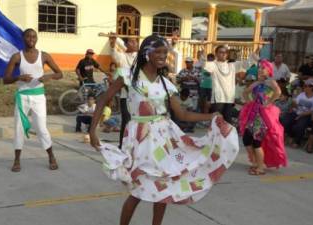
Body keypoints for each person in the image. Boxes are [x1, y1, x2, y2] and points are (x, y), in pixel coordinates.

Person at [89, 35, 239, 225]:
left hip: (164, 138)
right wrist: (93, 130)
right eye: (157, 51)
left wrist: (210, 116)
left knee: (163, 188)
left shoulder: (166, 84)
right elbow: (104, 99)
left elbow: (182, 114)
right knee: (138, 190)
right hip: (141, 139)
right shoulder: (128, 75)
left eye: (165, 52)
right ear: (146, 53)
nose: (162, 56)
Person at [4, 28, 62, 172]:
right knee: (19, 128)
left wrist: (48, 77)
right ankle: (17, 160)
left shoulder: (44, 56)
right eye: (28, 36)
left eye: (34, 36)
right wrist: (19, 77)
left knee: (41, 128)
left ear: (37, 39)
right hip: (22, 96)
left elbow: (60, 73)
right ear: (23, 38)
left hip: (38, 97)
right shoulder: (17, 57)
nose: (31, 39)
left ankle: (51, 156)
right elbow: (5, 79)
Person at [239, 60, 287, 175]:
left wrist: (269, 102)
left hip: (263, 116)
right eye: (260, 68)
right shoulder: (256, 83)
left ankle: (260, 167)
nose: (260, 70)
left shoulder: (271, 82)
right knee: (246, 139)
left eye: (263, 68)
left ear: (268, 70)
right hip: (253, 114)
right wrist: (250, 102)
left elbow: (278, 92)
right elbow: (245, 93)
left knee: (257, 142)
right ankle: (255, 162)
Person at [204, 45, 247, 124]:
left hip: (229, 97)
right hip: (218, 97)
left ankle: (227, 136)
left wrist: (257, 51)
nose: (223, 54)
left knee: (228, 122)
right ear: (216, 54)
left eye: (225, 52)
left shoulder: (232, 65)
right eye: (221, 52)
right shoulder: (213, 64)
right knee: (217, 121)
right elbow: (205, 68)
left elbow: (247, 63)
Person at [109, 35, 138, 149]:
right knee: (126, 121)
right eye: (131, 41)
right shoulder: (122, 57)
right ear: (126, 45)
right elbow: (114, 55)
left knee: (137, 122)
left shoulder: (140, 57)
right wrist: (113, 43)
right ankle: (122, 145)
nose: (135, 43)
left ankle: (134, 145)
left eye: (135, 41)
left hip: (138, 95)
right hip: (125, 96)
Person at [282, 78, 313, 148]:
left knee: (300, 125)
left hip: (307, 115)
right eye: (304, 85)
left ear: (312, 87)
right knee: (285, 121)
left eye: (306, 86)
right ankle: (291, 135)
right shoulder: (301, 94)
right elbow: (295, 106)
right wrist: (293, 103)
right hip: (297, 112)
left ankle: (297, 141)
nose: (304, 87)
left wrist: (301, 115)